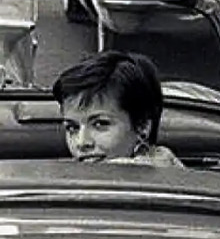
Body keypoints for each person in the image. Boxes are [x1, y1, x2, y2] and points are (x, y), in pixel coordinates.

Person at [52, 51, 182, 167]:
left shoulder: (168, 179)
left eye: (100, 124)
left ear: (142, 127)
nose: (81, 142)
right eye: (72, 128)